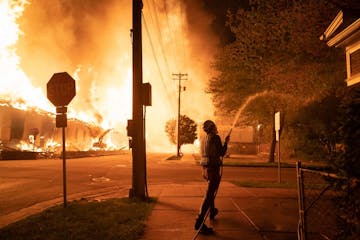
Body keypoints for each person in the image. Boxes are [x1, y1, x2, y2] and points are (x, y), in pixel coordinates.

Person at [194, 120, 230, 234]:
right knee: (209, 195)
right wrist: (226, 143)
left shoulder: (203, 139)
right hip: (213, 169)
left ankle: (212, 211)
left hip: (205, 169)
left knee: (211, 190)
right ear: (212, 128)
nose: (216, 127)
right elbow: (221, 153)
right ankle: (199, 222)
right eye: (215, 126)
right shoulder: (215, 137)